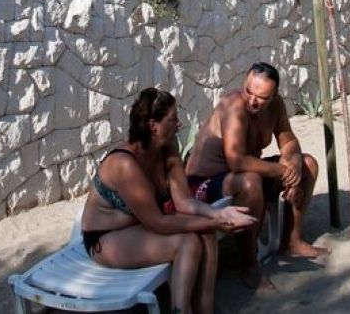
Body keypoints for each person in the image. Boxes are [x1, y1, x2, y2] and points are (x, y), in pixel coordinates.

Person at [81, 88, 257, 314]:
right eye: (173, 118)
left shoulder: (168, 149)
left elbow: (184, 202)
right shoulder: (124, 164)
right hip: (104, 239)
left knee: (205, 234)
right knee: (188, 242)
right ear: (153, 125)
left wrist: (220, 215)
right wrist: (216, 222)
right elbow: (158, 223)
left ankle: (205, 308)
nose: (180, 124)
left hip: (139, 227)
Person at [185, 62, 329, 289]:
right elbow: (236, 161)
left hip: (242, 174)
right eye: (248, 91)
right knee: (250, 181)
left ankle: (292, 240)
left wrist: (295, 166)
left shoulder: (276, 106)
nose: (252, 100)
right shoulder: (234, 106)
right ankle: (248, 264)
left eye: (261, 97)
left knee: (309, 164)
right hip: (203, 184)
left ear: (273, 96)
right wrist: (283, 171)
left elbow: (288, 141)